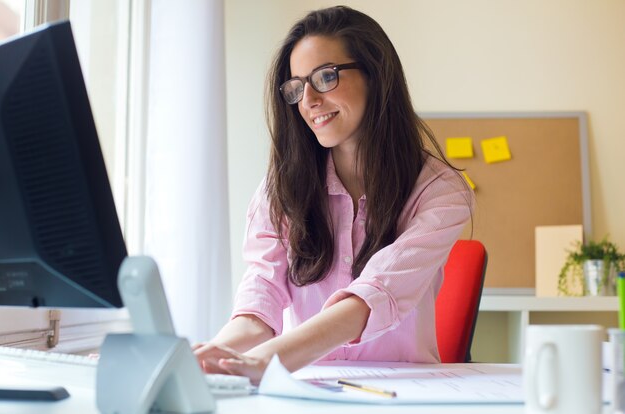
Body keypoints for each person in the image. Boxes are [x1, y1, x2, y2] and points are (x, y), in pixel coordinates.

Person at [193, 5, 474, 384]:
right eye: (296, 87)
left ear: (375, 74)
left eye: (325, 77)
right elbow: (263, 293)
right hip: (306, 391)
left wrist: (268, 361)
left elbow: (373, 296)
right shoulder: (282, 186)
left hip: (401, 393)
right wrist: (218, 354)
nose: (308, 101)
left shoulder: (439, 191)